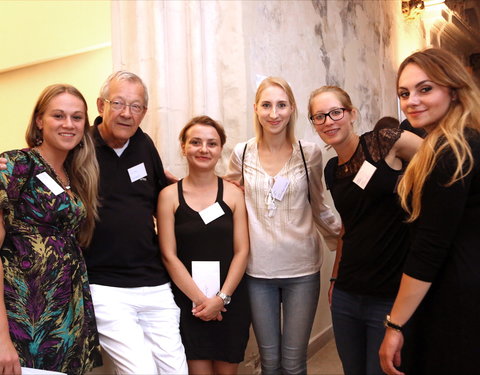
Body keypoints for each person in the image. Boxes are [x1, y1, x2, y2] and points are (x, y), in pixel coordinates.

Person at [226, 77, 340, 375]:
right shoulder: (242, 153)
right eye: (266, 105)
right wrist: (186, 192)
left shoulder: (309, 152)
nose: (273, 113)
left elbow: (319, 206)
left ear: (292, 110)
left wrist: (347, 236)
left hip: (301, 269)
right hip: (257, 270)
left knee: (293, 363)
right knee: (270, 362)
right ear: (256, 109)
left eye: (281, 105)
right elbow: (226, 199)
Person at [379, 48, 480, 375]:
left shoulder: (453, 151)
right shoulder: (456, 142)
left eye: (425, 89)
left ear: (453, 89)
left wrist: (394, 324)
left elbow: (430, 247)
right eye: (404, 93)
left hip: (453, 298)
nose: (412, 101)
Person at [308, 86, 422, 375]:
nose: (328, 121)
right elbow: (348, 226)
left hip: (389, 294)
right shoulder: (332, 169)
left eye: (336, 112)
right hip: (347, 293)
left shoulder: (384, 141)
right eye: (319, 116)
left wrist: (409, 187)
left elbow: (444, 160)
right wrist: (335, 276)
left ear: (351, 114)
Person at [84, 71, 187, 374]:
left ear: (144, 112)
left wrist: (203, 194)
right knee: (141, 370)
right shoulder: (81, 148)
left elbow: (161, 197)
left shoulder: (143, 144)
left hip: (153, 281)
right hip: (104, 285)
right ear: (101, 104)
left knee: (176, 371)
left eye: (136, 106)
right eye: (119, 103)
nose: (127, 114)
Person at [0, 84, 102, 375]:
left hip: (68, 316)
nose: (69, 124)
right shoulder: (15, 166)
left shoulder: (77, 174)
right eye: (58, 115)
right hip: (24, 320)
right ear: (39, 121)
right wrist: (1, 339)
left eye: (77, 117)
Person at [158, 116, 250, 375]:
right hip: (189, 304)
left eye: (212, 143)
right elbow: (168, 255)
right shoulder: (168, 196)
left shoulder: (233, 194)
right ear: (183, 147)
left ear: (221, 149)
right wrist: (201, 302)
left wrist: (221, 299)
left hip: (230, 300)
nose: (203, 149)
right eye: (195, 142)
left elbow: (242, 251)